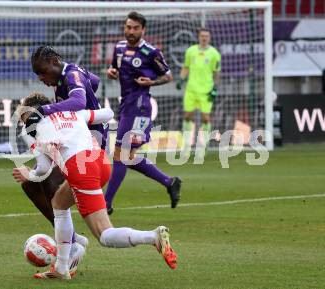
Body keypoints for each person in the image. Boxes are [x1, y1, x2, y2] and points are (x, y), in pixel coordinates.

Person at [13, 93, 177, 280]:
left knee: (104, 235)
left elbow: (42, 169)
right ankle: (60, 268)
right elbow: (107, 113)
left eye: (24, 117)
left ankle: (153, 237)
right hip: (101, 161)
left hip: (81, 169)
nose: (24, 122)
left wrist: (29, 174)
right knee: (59, 204)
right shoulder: (72, 113)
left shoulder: (33, 129)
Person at [14, 46, 106, 275]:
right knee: (38, 185)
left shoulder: (70, 76)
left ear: (54, 62)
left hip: (88, 151)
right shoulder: (68, 79)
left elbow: (79, 100)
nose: (41, 78)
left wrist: (46, 110)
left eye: (42, 72)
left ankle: (72, 244)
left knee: (39, 181)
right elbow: (94, 80)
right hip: (82, 147)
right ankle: (71, 244)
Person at [105, 11, 181, 215]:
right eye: (128, 27)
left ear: (143, 30)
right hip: (126, 105)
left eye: (135, 28)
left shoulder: (151, 52)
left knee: (120, 154)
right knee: (127, 156)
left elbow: (168, 76)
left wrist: (152, 82)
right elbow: (114, 69)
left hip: (140, 107)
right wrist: (111, 72)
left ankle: (106, 204)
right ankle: (169, 182)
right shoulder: (119, 48)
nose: (131, 31)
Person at [176, 27, 221, 159]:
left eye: (206, 36)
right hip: (191, 89)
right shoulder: (191, 51)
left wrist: (215, 88)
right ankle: (186, 147)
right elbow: (185, 67)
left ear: (209, 38)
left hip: (206, 90)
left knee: (205, 118)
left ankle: (202, 146)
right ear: (198, 37)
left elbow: (216, 73)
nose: (204, 38)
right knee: (187, 116)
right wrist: (181, 79)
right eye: (202, 36)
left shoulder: (214, 54)